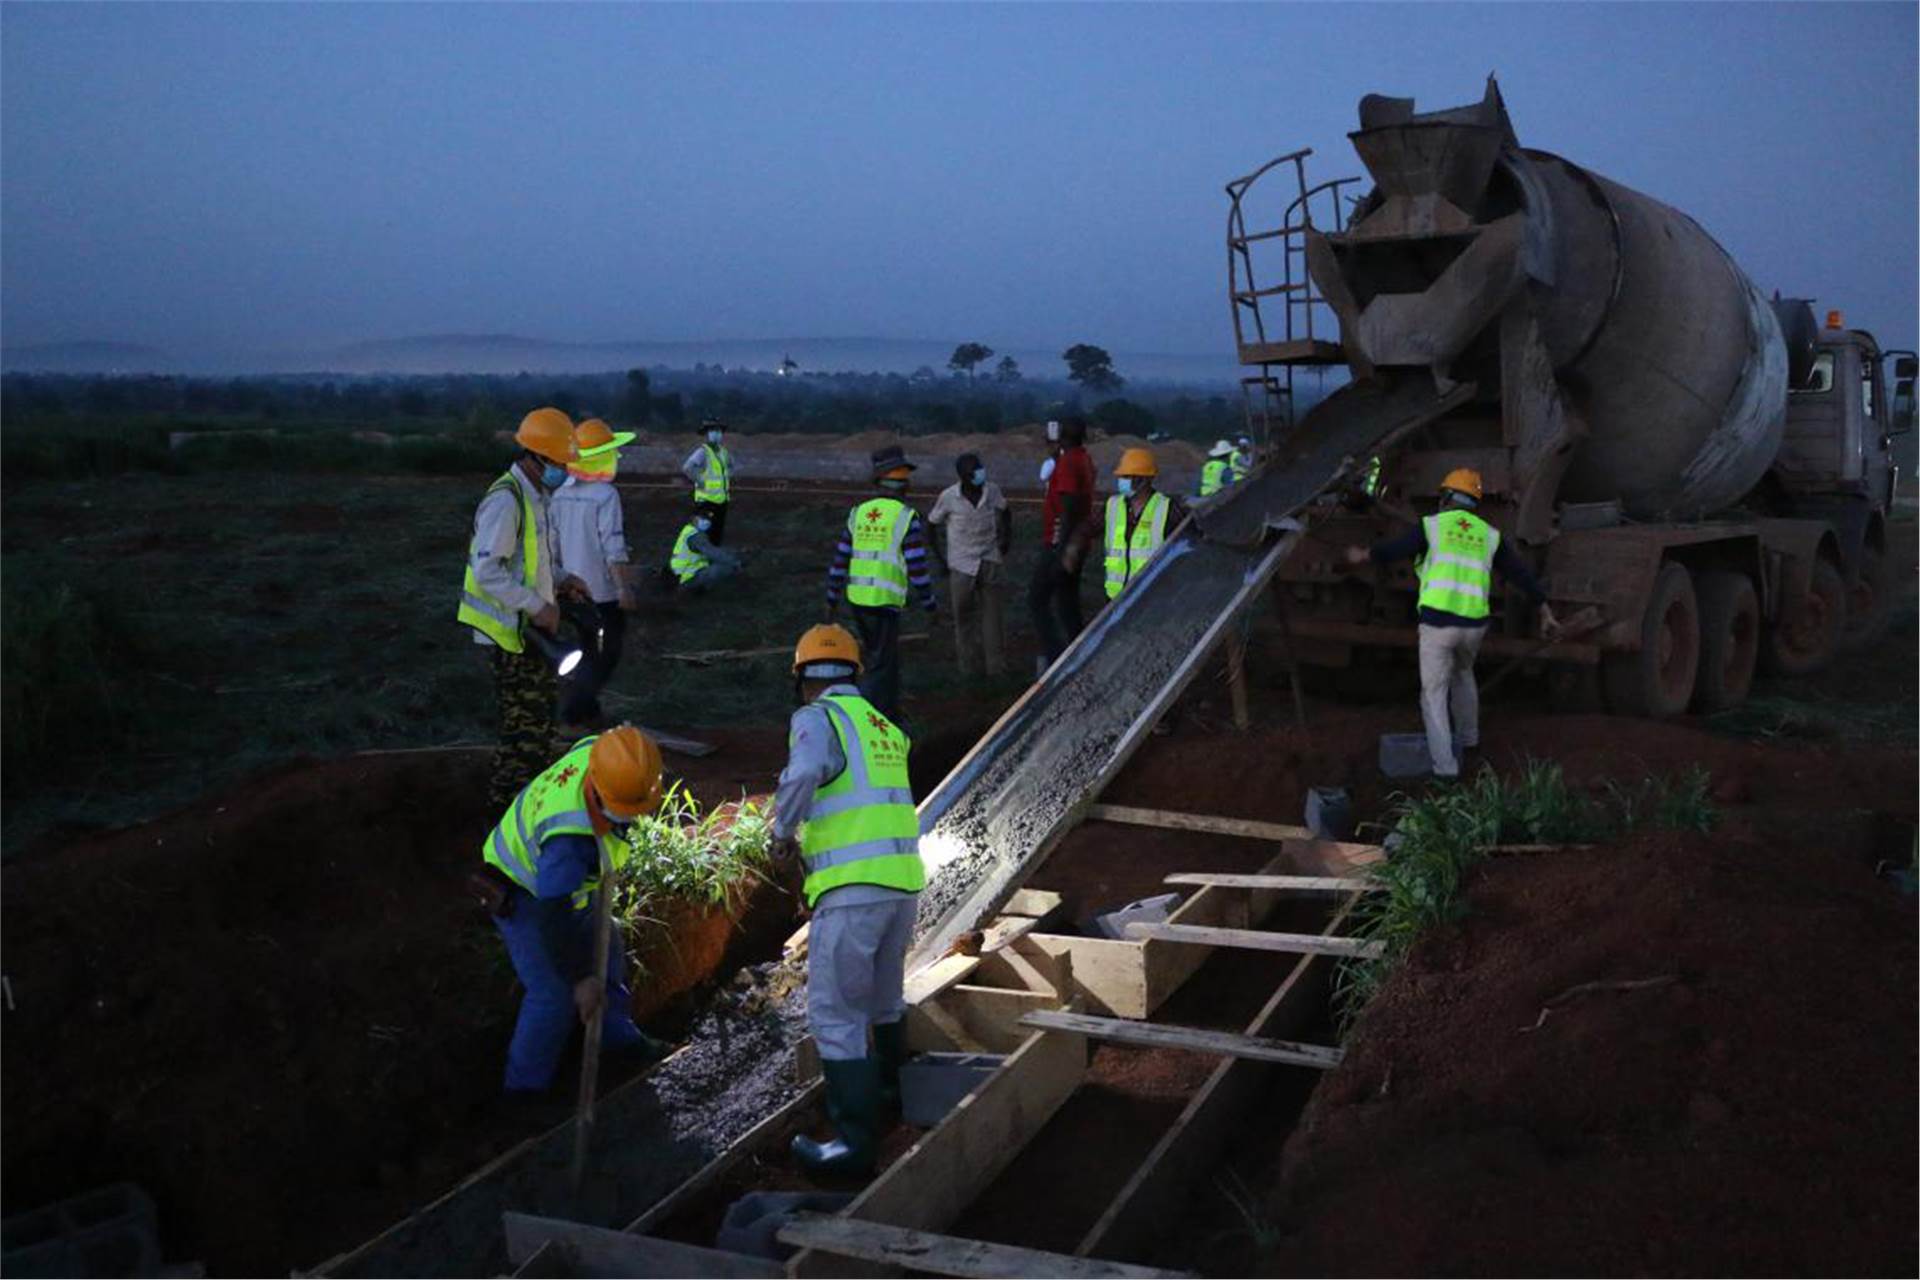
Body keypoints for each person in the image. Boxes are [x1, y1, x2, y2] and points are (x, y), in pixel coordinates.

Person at [767, 625, 925, 1177]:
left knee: (835, 1015)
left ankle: (853, 1148)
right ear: (856, 673)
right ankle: (890, 1103)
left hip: (852, 890)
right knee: (884, 1001)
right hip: (901, 884)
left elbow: (808, 771)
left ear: (802, 681)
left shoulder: (816, 718)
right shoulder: (883, 725)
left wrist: (782, 831)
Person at [474, 726, 670, 1095]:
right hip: (526, 893)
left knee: (607, 945)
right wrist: (581, 979)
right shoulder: (569, 841)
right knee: (553, 994)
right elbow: (553, 918)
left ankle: (619, 1042)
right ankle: (523, 1092)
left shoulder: (608, 756)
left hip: (564, 887)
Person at [1343, 468, 1559, 779]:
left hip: (1439, 625)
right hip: (1473, 626)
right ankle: (1470, 742)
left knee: (1433, 694)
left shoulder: (1431, 527)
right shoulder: (1489, 535)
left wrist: (1362, 554)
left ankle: (1445, 770)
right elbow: (1521, 575)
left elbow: (1394, 551)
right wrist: (1545, 611)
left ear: (1445, 497)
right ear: (1474, 502)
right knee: (1463, 674)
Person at [459, 406, 589, 811]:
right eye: (561, 463)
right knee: (523, 740)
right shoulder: (506, 501)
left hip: (530, 636)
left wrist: (563, 579)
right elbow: (486, 571)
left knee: (540, 728)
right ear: (537, 457)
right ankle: (503, 828)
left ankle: (530, 813)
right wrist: (537, 606)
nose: (565, 471)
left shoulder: (536, 496)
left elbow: (532, 561)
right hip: (511, 639)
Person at [824, 446, 938, 720]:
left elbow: (841, 558)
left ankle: (888, 709)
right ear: (904, 485)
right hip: (884, 603)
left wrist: (831, 599)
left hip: (858, 600)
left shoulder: (858, 513)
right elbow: (917, 567)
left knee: (881, 658)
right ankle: (870, 714)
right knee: (882, 664)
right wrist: (930, 604)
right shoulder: (905, 517)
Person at [552, 417, 638, 728]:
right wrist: (623, 589)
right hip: (601, 591)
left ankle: (587, 710)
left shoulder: (560, 495)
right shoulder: (605, 496)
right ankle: (575, 710)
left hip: (571, 589)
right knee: (606, 654)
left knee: (589, 648)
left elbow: (553, 543)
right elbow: (612, 545)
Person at [926, 452, 1011, 678]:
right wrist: (941, 560)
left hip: (989, 558)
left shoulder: (992, 491)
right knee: (963, 618)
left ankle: (996, 667)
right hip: (961, 564)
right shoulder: (949, 497)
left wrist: (1005, 539)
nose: (979, 473)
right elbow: (931, 525)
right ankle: (968, 668)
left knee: (993, 617)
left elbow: (1005, 511)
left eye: (979, 468)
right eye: (974, 471)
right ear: (963, 476)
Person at [1028, 416, 1095, 670]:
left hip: (1061, 542)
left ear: (1062, 438)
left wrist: (1060, 550)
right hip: (1076, 541)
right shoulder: (1082, 458)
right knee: (1067, 601)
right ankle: (1077, 656)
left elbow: (1068, 508)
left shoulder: (1067, 463)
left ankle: (1055, 656)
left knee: (1037, 599)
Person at [1102, 447, 1187, 600]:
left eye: (1128, 477)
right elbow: (1088, 528)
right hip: (1114, 599)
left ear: (1144, 480)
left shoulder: (1166, 509)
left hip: (1147, 601)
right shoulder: (1113, 506)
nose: (1122, 481)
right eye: (1122, 476)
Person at [681, 418, 733, 545]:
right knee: (704, 532)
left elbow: (730, 466)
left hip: (721, 500)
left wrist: (726, 480)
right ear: (707, 434)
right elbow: (688, 468)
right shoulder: (703, 452)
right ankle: (701, 559)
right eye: (713, 431)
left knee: (717, 533)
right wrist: (700, 481)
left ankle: (714, 558)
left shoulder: (723, 452)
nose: (717, 433)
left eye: (719, 431)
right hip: (706, 501)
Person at [668, 509, 745, 593]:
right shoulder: (696, 536)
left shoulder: (690, 530)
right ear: (694, 518)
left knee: (726, 558)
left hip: (684, 571)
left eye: (709, 519)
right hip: (686, 577)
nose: (707, 522)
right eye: (704, 519)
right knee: (727, 567)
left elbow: (712, 550)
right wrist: (735, 562)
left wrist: (736, 551)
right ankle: (696, 590)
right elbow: (713, 553)